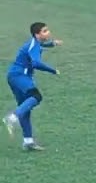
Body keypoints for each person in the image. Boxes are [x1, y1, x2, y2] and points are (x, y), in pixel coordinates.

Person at [4, 22, 61, 152]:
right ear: (37, 34)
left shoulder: (34, 43)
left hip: (14, 76)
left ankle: (28, 142)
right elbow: (36, 63)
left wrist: (53, 44)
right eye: (45, 31)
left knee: (25, 108)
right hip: (20, 76)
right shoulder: (34, 45)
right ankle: (12, 117)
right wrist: (53, 70)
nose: (48, 33)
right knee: (36, 96)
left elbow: (40, 45)